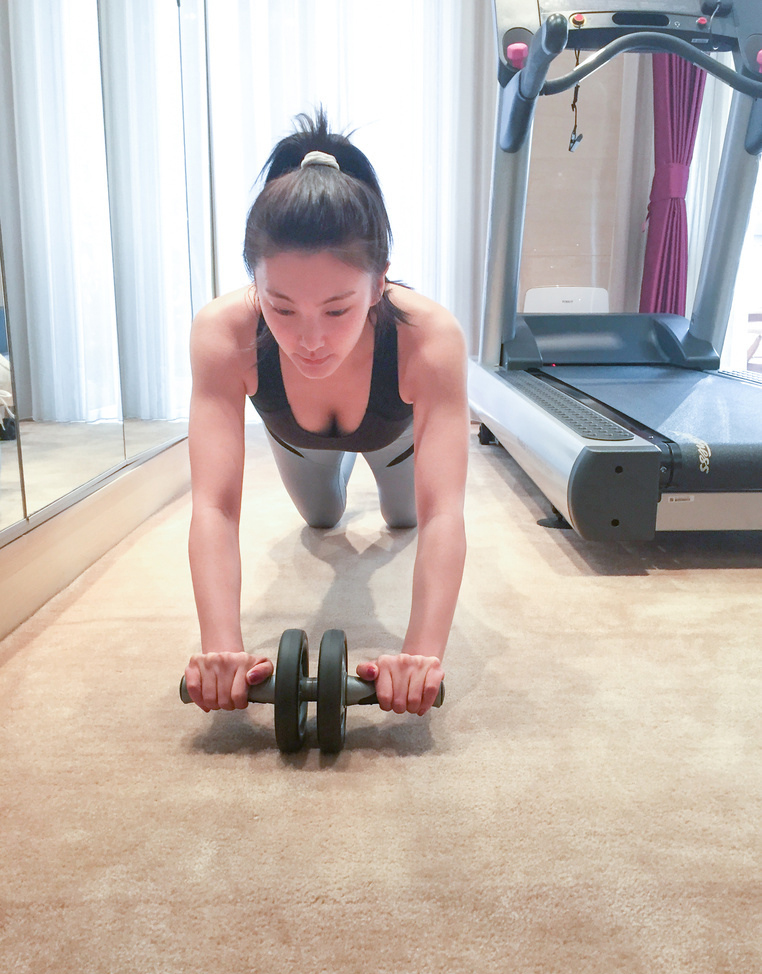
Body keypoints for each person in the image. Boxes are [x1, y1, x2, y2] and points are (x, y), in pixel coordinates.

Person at [183, 111, 469, 719]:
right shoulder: (222, 331)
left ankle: (372, 473)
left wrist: (420, 656)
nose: (309, 339)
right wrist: (221, 649)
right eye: (282, 309)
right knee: (323, 518)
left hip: (395, 441)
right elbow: (213, 503)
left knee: (404, 518)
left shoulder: (430, 336)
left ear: (379, 282)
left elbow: (446, 509)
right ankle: (337, 475)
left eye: (338, 309)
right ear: (254, 283)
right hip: (300, 440)